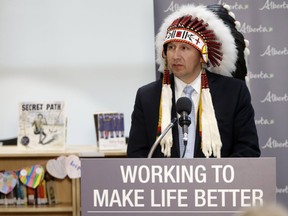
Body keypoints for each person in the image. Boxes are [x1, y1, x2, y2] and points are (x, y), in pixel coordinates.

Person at [127, 3, 260, 158]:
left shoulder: (233, 93)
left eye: (184, 48)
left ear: (202, 56)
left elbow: (248, 150)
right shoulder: (147, 96)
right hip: (164, 182)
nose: (175, 56)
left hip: (217, 181)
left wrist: (218, 178)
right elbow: (136, 155)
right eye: (170, 47)